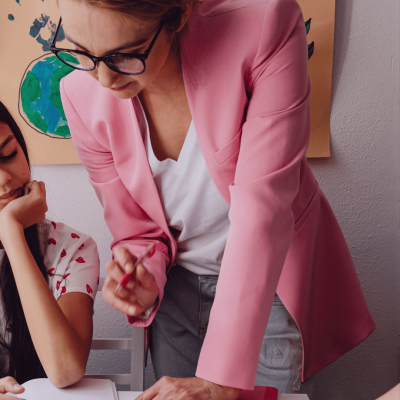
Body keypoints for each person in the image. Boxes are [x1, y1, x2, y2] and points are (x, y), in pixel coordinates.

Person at [56, 0, 376, 398]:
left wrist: (221, 379)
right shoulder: (78, 92)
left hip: (270, 284)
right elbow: (138, 229)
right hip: (175, 291)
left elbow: (264, 208)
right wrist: (142, 275)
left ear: (178, 13)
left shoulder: (265, 26)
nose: (102, 79)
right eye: (80, 52)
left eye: (125, 54)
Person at [0, 102, 99, 399]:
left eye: (9, 154)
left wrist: (11, 231)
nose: (5, 179)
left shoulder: (72, 248)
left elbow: (66, 369)